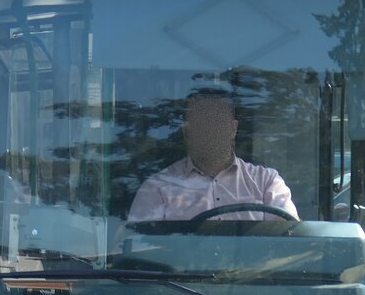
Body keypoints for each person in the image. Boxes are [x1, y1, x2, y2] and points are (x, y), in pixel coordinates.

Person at [127, 90, 297, 222]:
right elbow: (136, 247)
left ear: (233, 128)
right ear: (187, 131)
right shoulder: (158, 187)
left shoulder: (267, 182)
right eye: (201, 125)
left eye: (216, 123)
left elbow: (291, 242)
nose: (210, 132)